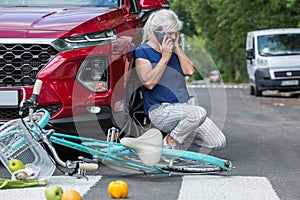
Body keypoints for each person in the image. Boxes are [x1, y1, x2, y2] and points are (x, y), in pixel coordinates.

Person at [134, 9, 226, 150]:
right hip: (161, 111)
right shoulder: (143, 51)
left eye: (176, 33)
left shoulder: (174, 49)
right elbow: (149, 83)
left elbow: (189, 71)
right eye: (169, 32)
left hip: (186, 109)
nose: (173, 36)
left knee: (219, 142)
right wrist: (165, 58)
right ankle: (169, 143)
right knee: (199, 113)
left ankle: (179, 138)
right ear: (155, 29)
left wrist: (176, 47)